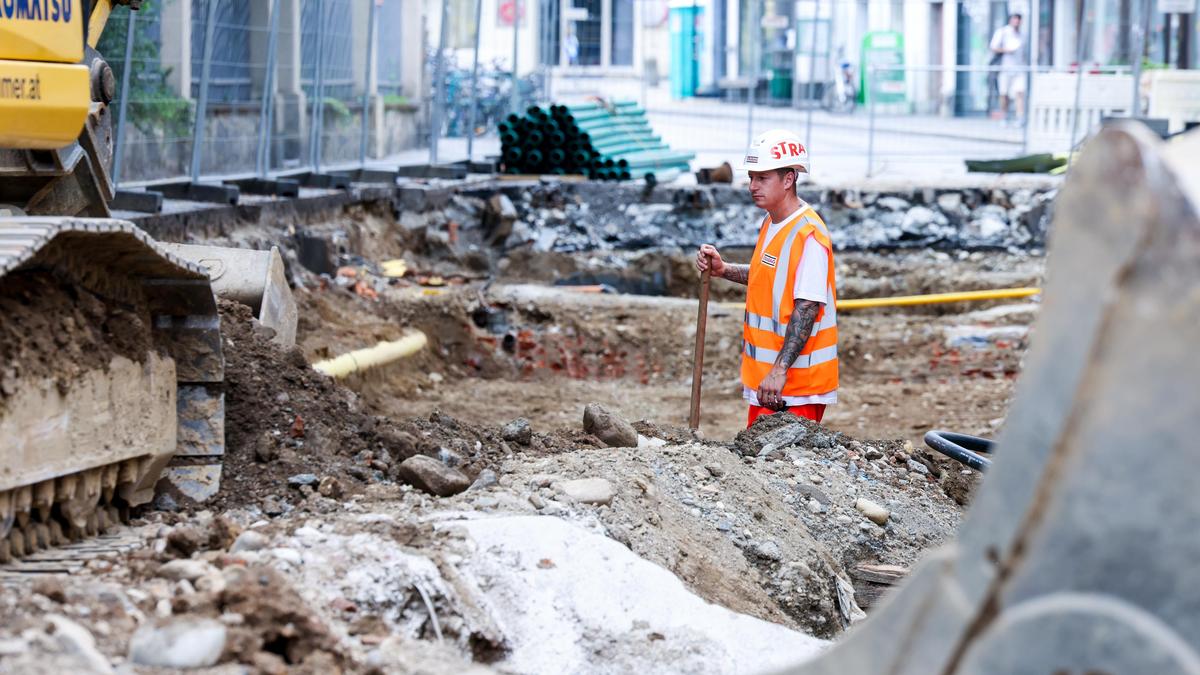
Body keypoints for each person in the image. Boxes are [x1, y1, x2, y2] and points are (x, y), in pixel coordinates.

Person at [695, 130, 838, 428]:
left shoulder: (808, 234)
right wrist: (724, 270)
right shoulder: (772, 223)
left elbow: (807, 306)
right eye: (751, 177)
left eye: (762, 178)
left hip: (793, 389)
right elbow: (769, 278)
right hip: (769, 383)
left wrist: (779, 370)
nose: (752, 186)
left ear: (788, 180)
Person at [989, 13, 1026, 124]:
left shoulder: (1023, 35)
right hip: (1004, 68)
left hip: (1019, 68)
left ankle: (1019, 117)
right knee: (1004, 94)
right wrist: (1007, 50)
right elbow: (993, 47)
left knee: (1020, 92)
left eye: (1018, 20)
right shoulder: (1003, 32)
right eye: (1014, 20)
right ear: (1010, 20)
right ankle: (1004, 115)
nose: (1016, 22)